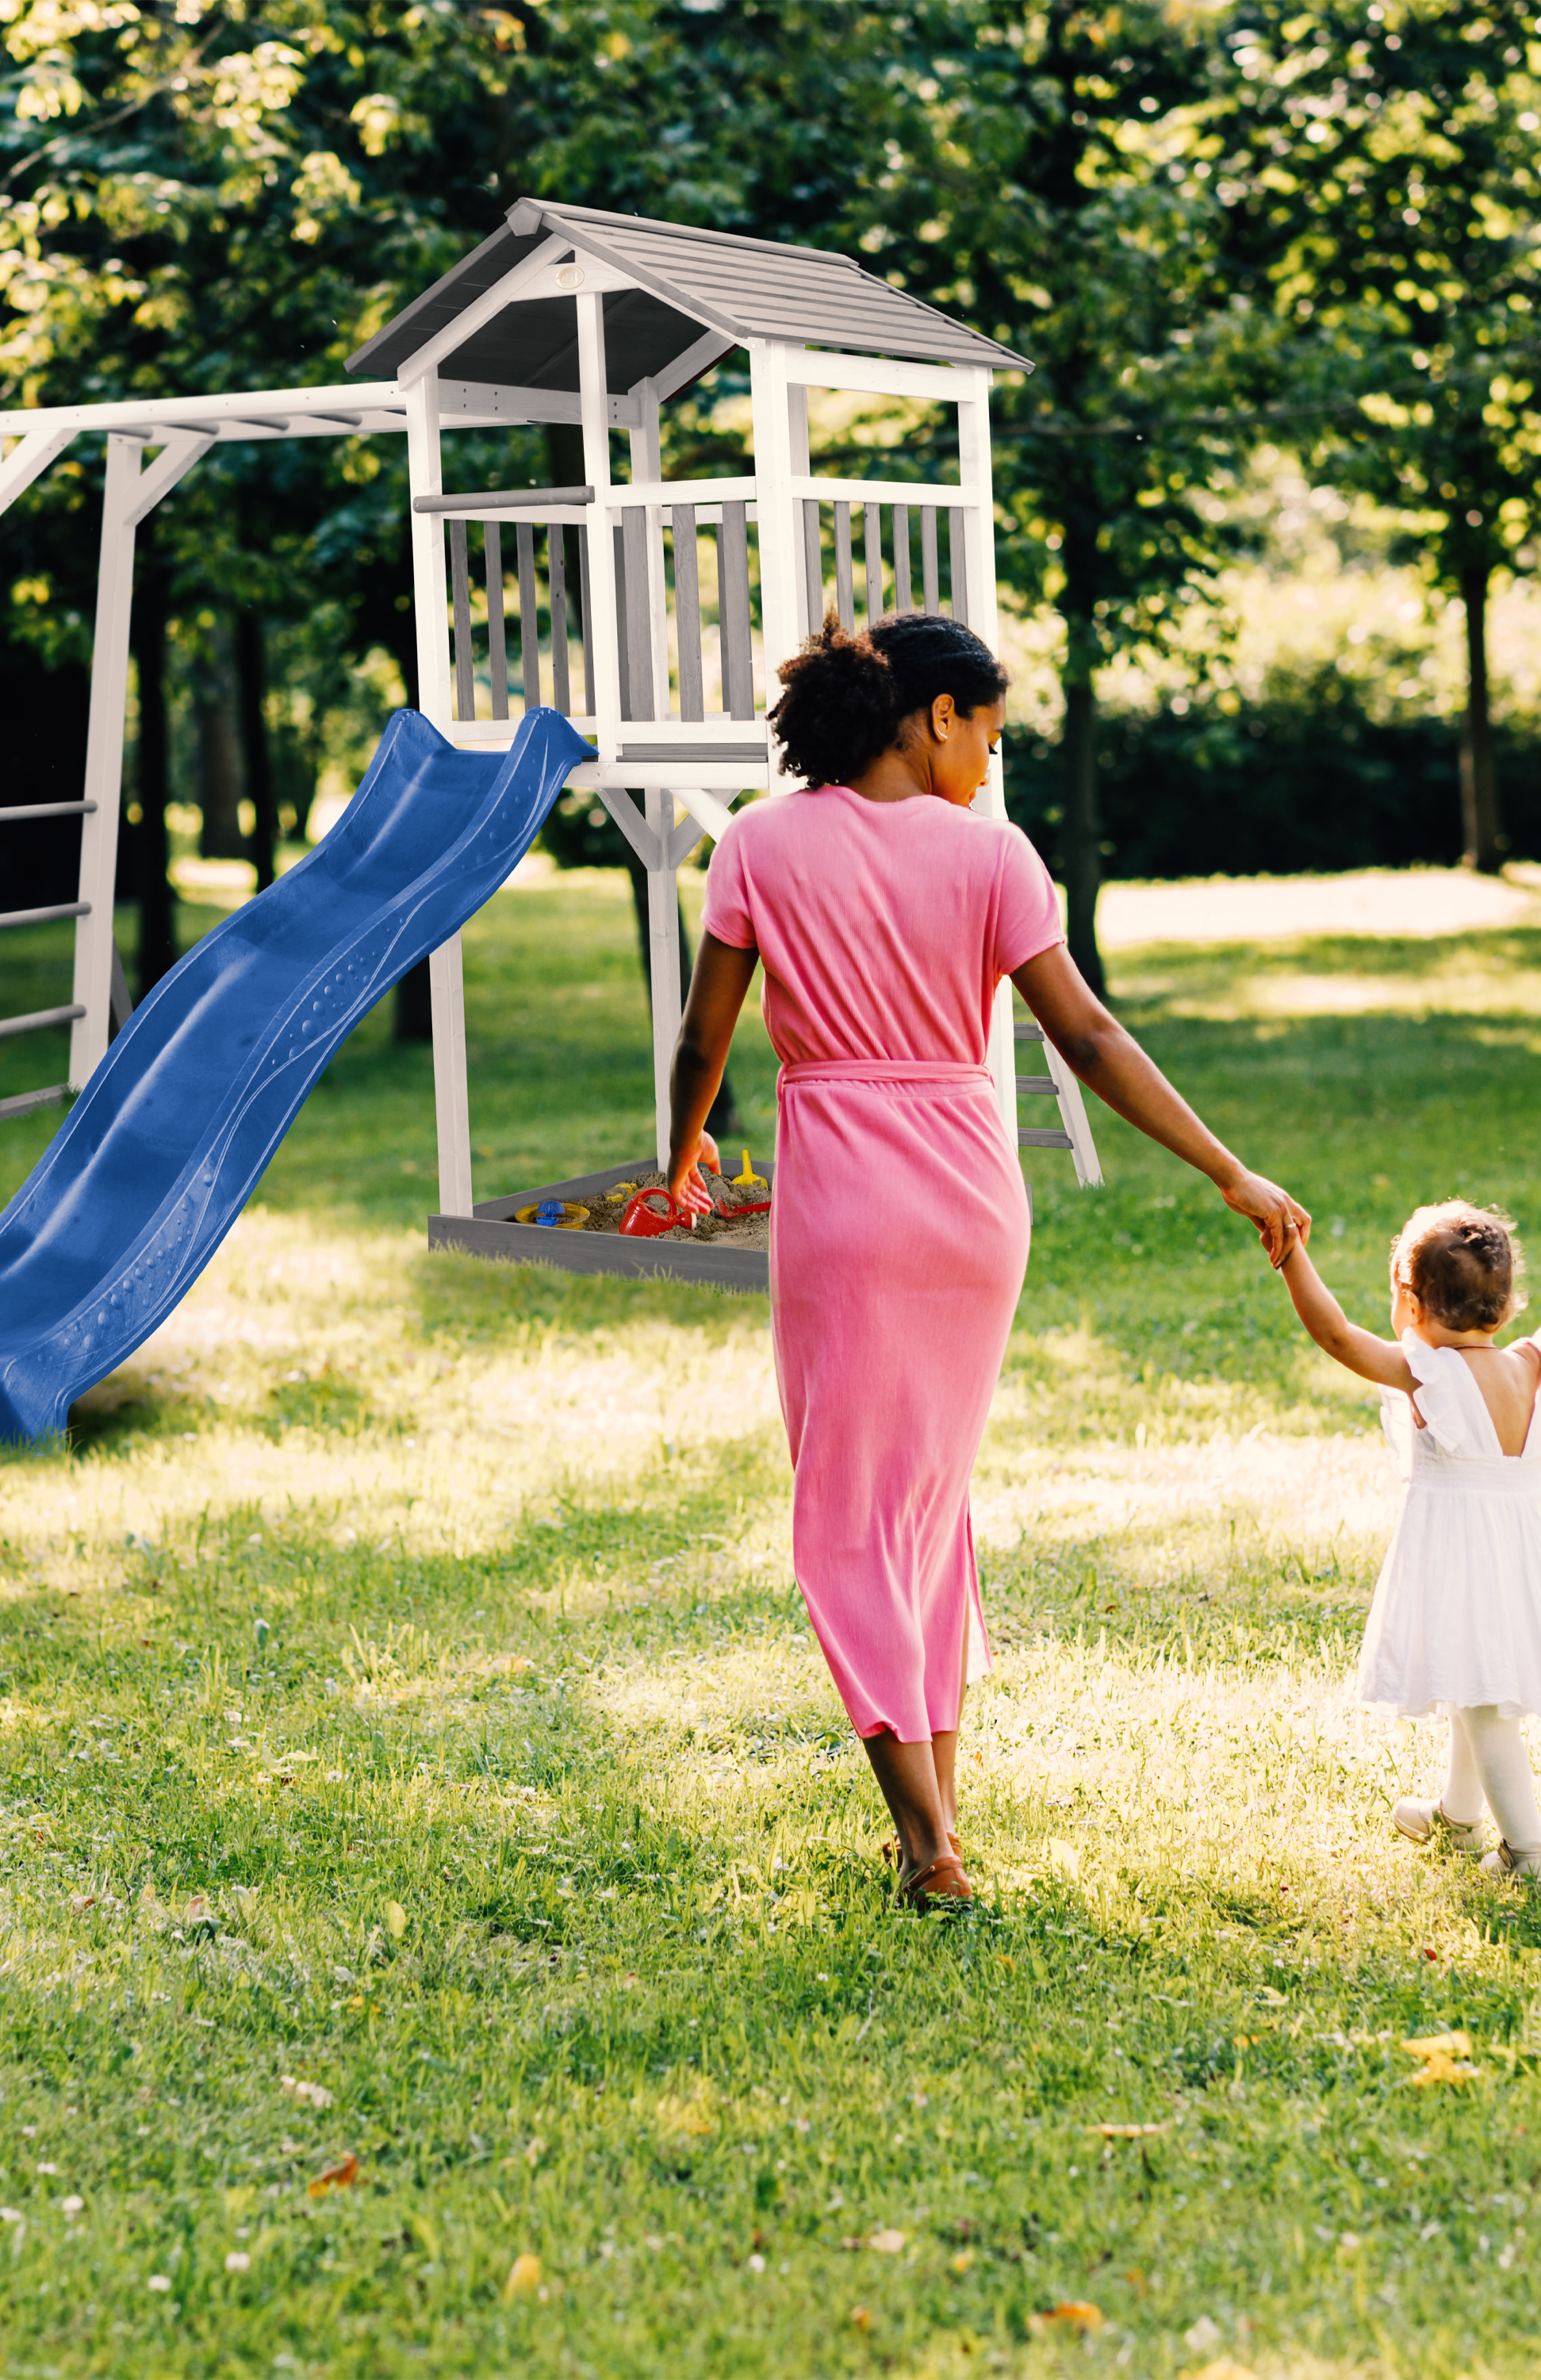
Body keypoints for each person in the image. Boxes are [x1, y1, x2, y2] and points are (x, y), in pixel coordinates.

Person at [662, 612, 1309, 1907]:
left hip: (844, 1200)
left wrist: (677, 1156)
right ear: (934, 714)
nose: (990, 765)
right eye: (989, 736)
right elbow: (1089, 1037)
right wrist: (1226, 1167)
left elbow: (703, 1039)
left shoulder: (757, 842)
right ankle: (937, 1819)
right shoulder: (994, 857)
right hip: (970, 1201)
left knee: (849, 1516)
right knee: (924, 1506)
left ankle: (925, 1842)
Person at [1274, 1199, 1541, 1879]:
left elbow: (1335, 1335)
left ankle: (1528, 1856)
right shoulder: (1533, 1363)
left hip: (1463, 1556)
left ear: (1411, 1304)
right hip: (1524, 1554)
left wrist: (1291, 1256)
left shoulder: (1427, 1374)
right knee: (1470, 1678)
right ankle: (1457, 1818)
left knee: (1485, 1706)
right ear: (1506, 1307)